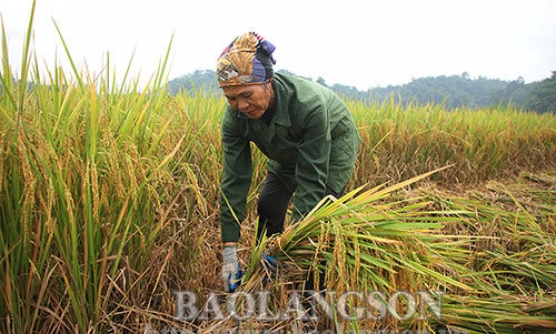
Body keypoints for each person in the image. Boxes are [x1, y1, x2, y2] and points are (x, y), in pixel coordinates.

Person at [217, 32, 360, 294]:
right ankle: (264, 275)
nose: (241, 105)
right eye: (232, 98)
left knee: (320, 213)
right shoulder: (234, 118)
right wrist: (229, 250)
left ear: (267, 82)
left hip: (332, 144)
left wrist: (292, 244)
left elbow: (310, 180)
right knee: (269, 203)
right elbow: (234, 178)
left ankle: (312, 291)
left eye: (247, 94)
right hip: (285, 148)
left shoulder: (308, 105)